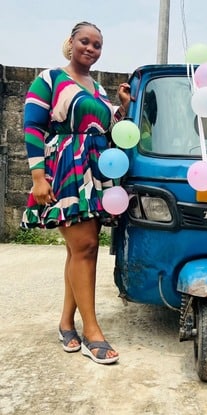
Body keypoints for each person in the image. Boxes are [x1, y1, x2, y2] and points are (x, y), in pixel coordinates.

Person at [23, 21, 131, 365]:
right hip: (64, 168)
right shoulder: (50, 78)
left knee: (81, 249)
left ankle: (66, 323)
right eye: (85, 41)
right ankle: (92, 332)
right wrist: (39, 177)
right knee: (84, 247)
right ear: (71, 42)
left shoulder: (98, 89)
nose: (91, 48)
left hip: (94, 171)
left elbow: (110, 130)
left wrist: (123, 106)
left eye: (97, 45)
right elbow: (33, 126)